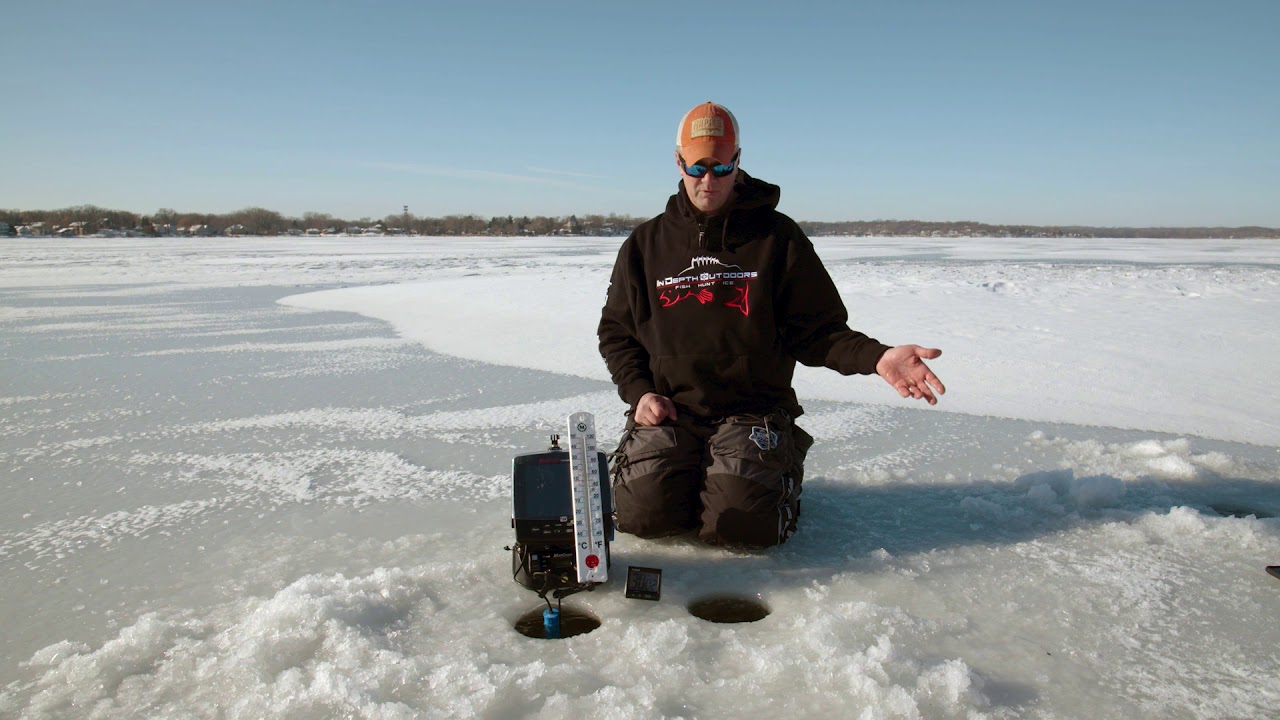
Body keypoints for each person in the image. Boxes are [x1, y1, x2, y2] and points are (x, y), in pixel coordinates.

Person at [598, 101, 944, 549]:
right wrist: (639, 392)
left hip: (752, 410)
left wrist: (877, 357)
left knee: (740, 527)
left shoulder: (778, 239)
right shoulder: (645, 244)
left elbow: (817, 330)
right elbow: (617, 333)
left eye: (722, 166)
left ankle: (769, 472)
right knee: (643, 517)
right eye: (698, 166)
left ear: (738, 160)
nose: (709, 179)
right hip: (671, 410)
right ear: (678, 161)